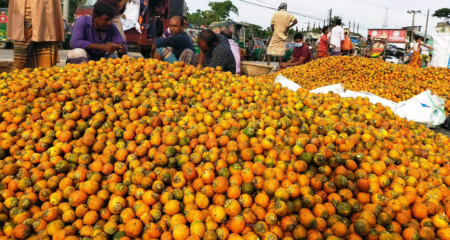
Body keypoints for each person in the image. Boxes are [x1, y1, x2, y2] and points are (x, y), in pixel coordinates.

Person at [7, 0, 64, 70]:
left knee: (44, 35)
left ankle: (42, 75)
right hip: (25, 9)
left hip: (42, 8)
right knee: (23, 38)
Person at [267, 3, 298, 67]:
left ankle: (268, 65)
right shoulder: (289, 15)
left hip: (276, 34)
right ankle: (280, 64)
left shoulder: (275, 14)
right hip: (283, 34)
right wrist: (288, 27)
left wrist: (274, 31)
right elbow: (295, 21)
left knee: (270, 49)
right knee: (281, 50)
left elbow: (272, 24)